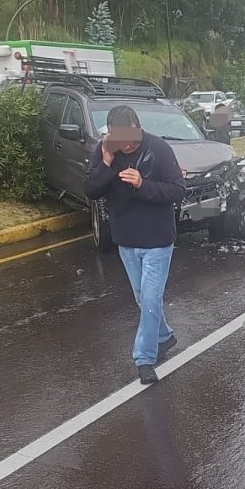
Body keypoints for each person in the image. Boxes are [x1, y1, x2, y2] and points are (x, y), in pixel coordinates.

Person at [84, 105, 189, 385]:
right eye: (121, 140)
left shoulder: (159, 149)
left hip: (157, 239)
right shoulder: (106, 150)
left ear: (139, 128)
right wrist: (106, 164)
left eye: (131, 139)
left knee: (152, 300)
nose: (127, 145)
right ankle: (165, 336)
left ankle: (144, 359)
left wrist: (143, 184)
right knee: (144, 300)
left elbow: (178, 190)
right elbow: (91, 190)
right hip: (126, 239)